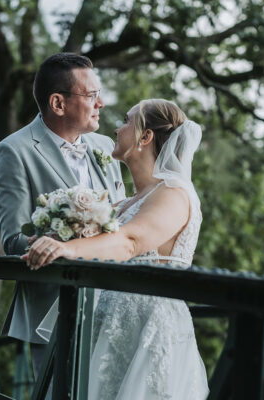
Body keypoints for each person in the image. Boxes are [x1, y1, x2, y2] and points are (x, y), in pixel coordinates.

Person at [23, 99, 210, 399]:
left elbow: (130, 241)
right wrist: (57, 239)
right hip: (105, 329)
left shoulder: (174, 194)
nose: (116, 128)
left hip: (145, 331)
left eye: (126, 121)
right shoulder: (124, 203)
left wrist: (68, 250)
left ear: (145, 137)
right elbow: (100, 243)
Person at [0, 53, 126, 384]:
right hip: (54, 310)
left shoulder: (105, 146)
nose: (101, 103)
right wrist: (75, 238)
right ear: (58, 104)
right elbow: (14, 241)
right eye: (91, 95)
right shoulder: (12, 152)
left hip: (116, 306)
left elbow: (120, 220)